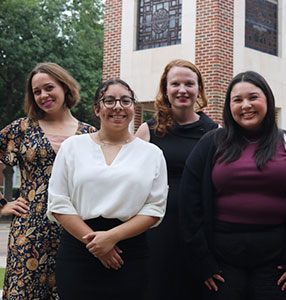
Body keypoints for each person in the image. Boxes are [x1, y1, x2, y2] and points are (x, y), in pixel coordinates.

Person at [180, 71, 286, 300]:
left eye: (253, 97)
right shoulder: (210, 144)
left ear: (267, 99)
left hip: (279, 266)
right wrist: (202, 262)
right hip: (221, 265)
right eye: (237, 100)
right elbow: (189, 204)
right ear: (229, 106)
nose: (245, 105)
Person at [47, 79, 168, 300]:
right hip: (79, 250)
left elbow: (155, 208)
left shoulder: (152, 154)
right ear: (97, 108)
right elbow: (58, 201)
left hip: (129, 252)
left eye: (125, 100)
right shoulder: (72, 147)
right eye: (109, 100)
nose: (118, 107)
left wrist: (112, 237)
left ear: (133, 107)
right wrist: (96, 244)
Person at [0, 62, 95, 299]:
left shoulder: (89, 134)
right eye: (37, 91)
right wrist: (3, 204)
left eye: (49, 87)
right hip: (29, 231)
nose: (44, 95)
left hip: (74, 231)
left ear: (64, 87)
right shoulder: (21, 129)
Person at [135, 59, 218, 300]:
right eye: (175, 84)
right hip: (157, 228)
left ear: (199, 89)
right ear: (165, 89)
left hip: (199, 228)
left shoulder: (214, 132)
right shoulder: (147, 131)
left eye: (189, 84)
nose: (182, 90)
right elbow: (134, 182)